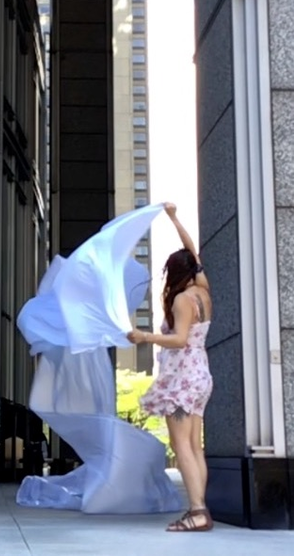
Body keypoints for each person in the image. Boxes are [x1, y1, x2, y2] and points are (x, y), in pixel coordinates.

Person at [127, 202, 213, 532]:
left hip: (181, 381)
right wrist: (174, 219)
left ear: (175, 274)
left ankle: (197, 511)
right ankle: (201, 508)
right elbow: (193, 252)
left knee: (182, 446)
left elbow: (179, 340)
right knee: (194, 447)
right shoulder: (202, 291)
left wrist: (144, 336)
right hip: (199, 377)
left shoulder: (181, 300)